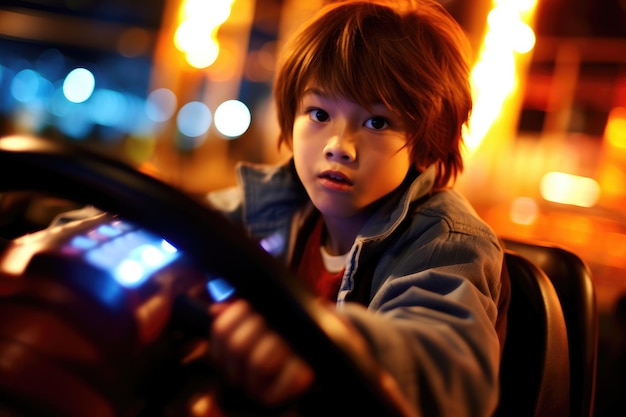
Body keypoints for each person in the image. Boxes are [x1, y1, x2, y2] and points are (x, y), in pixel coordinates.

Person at [206, 0, 510, 416]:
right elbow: (184, 223)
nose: (338, 146)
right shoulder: (282, 199)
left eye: (377, 122)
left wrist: (328, 340)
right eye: (318, 113)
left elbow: (448, 364)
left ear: (425, 141)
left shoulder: (447, 239)